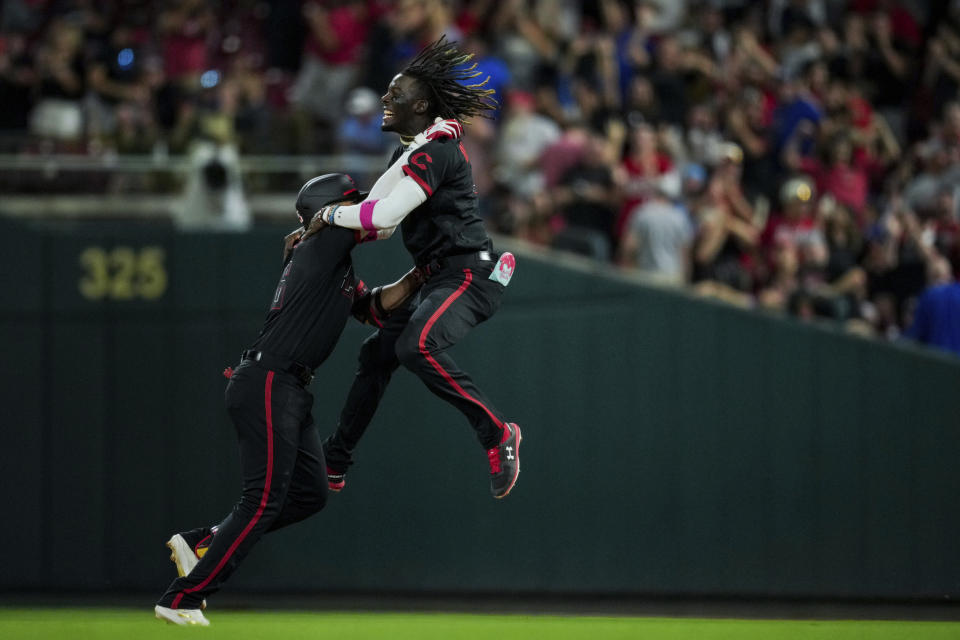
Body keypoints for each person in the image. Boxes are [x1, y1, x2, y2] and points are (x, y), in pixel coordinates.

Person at [154, 173, 423, 626]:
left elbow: (375, 309)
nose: (354, 207)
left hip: (287, 386)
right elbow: (381, 220)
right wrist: (418, 171)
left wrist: (418, 277)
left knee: (311, 493)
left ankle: (203, 542)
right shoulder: (321, 245)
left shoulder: (329, 259)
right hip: (268, 380)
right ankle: (181, 597)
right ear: (327, 210)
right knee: (261, 501)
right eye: (346, 202)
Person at [303, 36, 522, 499]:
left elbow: (380, 218)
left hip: (469, 276)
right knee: (375, 355)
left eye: (394, 93)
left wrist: (326, 216)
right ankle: (336, 460)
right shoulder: (415, 150)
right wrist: (321, 228)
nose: (385, 99)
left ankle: (498, 435)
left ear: (421, 104)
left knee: (415, 346)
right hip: (436, 276)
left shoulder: (435, 151)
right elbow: (374, 218)